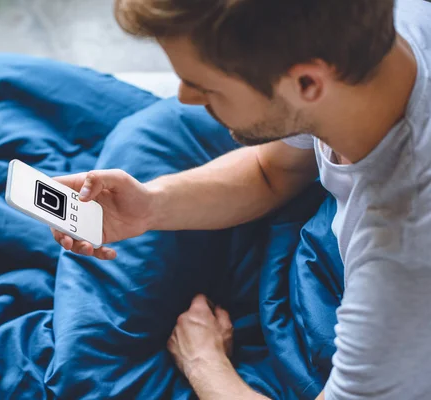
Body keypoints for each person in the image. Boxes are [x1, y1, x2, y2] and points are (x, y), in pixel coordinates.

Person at [51, 0, 431, 398]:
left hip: (366, 312)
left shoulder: (402, 261)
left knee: (96, 375)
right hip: (326, 240)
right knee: (155, 133)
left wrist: (204, 363)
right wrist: (150, 206)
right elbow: (273, 171)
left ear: (307, 84)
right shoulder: (384, 28)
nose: (186, 96)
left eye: (205, 87)